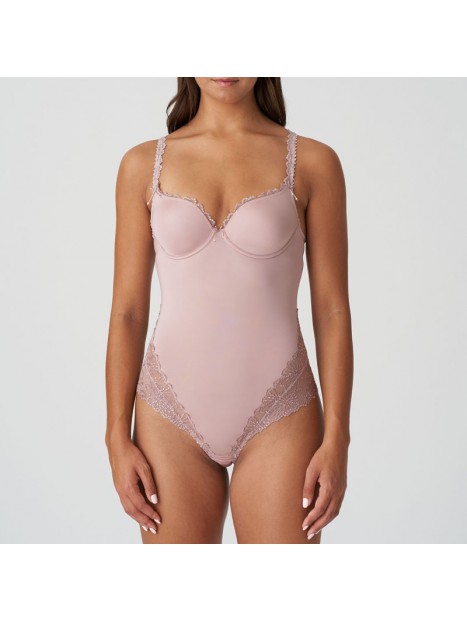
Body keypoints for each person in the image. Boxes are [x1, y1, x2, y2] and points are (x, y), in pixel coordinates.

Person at [105, 77, 353, 544]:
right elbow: (128, 313)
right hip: (168, 416)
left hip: (281, 414)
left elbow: (332, 311)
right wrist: (115, 436)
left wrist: (338, 436)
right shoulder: (141, 165)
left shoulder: (314, 163)